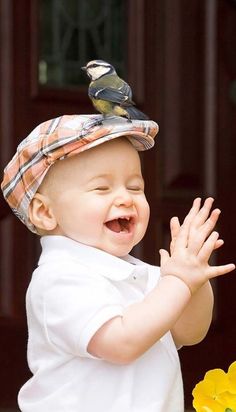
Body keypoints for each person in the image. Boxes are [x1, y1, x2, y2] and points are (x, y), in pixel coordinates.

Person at [1, 114, 235, 412]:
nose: (125, 198)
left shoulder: (140, 274)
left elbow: (190, 332)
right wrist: (179, 282)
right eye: (102, 188)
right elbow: (122, 342)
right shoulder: (59, 278)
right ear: (45, 212)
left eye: (136, 187)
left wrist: (194, 280)